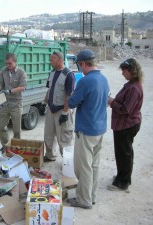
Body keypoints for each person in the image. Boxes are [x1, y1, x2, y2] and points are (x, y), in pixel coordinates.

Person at [67, 49, 110, 209]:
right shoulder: (103, 79)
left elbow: (72, 103)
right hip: (99, 128)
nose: (80, 69)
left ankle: (83, 200)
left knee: (83, 167)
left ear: (84, 64)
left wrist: (71, 96)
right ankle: (91, 196)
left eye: (79, 65)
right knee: (94, 165)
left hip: (86, 130)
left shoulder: (85, 81)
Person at [107, 58, 143, 192]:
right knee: (124, 152)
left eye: (124, 70)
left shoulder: (134, 88)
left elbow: (126, 109)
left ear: (132, 71)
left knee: (124, 153)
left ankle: (123, 182)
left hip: (126, 125)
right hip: (124, 125)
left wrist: (111, 102)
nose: (122, 73)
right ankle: (123, 176)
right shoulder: (131, 84)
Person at [44, 51, 75, 161]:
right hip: (51, 109)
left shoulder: (68, 75)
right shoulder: (52, 72)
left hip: (61, 110)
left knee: (64, 138)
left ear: (60, 60)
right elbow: (50, 89)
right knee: (48, 136)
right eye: (50, 59)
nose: (50, 62)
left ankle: (67, 162)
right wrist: (46, 102)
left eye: (52, 60)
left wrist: (65, 113)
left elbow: (69, 96)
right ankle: (50, 155)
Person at [0, 53, 27, 150]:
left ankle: (16, 147)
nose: (7, 66)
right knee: (1, 127)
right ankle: (5, 146)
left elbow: (22, 87)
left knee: (17, 130)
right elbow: (1, 83)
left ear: (15, 62)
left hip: (16, 103)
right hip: (5, 103)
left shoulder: (21, 72)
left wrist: (10, 91)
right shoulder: (3, 71)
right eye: (6, 63)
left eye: (9, 64)